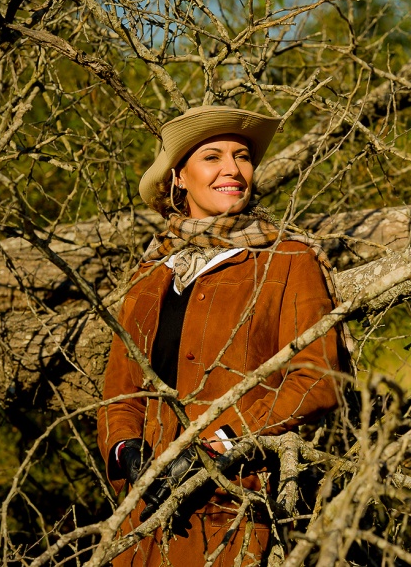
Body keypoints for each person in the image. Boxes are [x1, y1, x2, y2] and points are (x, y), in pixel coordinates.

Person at [97, 105, 343, 566]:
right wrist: (126, 450)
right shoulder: (150, 274)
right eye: (212, 157)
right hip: (142, 524)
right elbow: (120, 393)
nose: (233, 169)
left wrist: (220, 443)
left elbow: (317, 378)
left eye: (243, 157)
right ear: (178, 178)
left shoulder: (288, 259)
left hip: (239, 511)